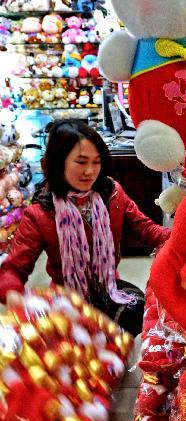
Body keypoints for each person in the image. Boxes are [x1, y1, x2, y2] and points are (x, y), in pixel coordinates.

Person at [0, 120, 170, 336]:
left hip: (109, 288)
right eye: (81, 162)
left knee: (138, 312)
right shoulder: (41, 211)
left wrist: (183, 237)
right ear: (58, 162)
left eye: (96, 162)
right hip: (66, 298)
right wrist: (13, 295)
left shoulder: (112, 193)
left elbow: (146, 229)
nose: (90, 171)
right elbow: (13, 268)